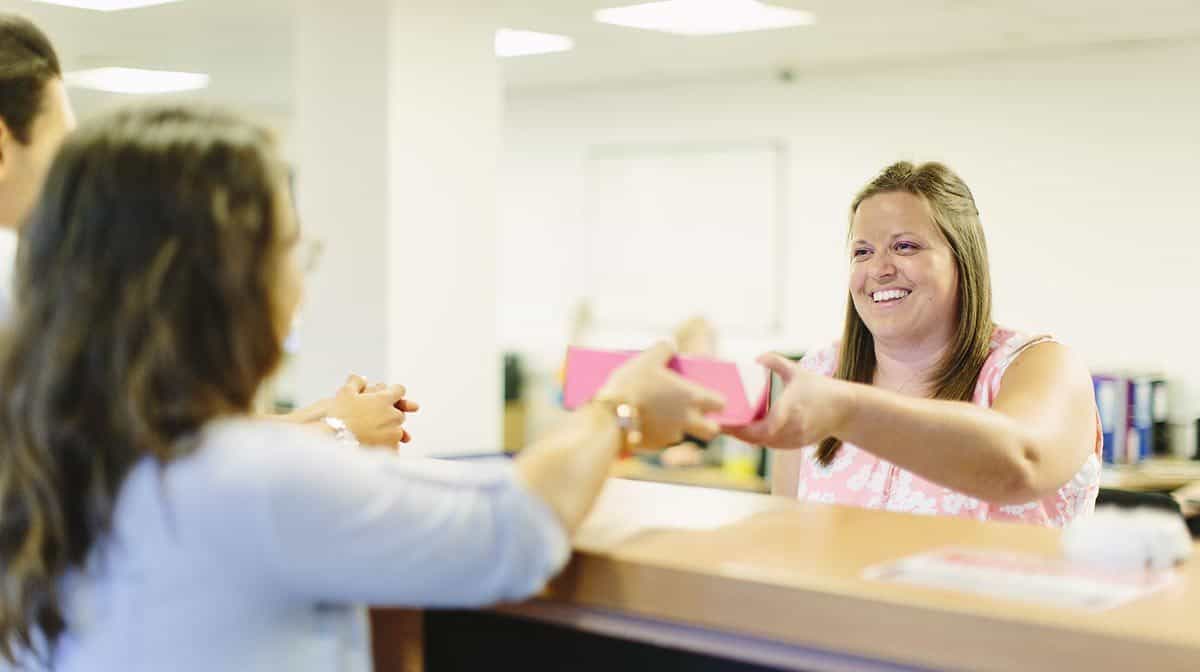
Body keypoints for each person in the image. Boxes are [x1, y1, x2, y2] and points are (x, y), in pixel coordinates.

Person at [0, 104, 724, 670]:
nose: (298, 283)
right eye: (292, 251)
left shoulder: (51, 452)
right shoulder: (241, 480)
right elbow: (514, 534)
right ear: (222, 282)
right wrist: (618, 410)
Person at [0, 12, 410, 447]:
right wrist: (336, 431)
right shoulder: (18, 282)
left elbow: (130, 430)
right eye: (65, 148)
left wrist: (320, 419)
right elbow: (119, 454)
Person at [730, 161, 1100, 526]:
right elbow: (787, 543)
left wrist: (846, 410)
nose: (879, 269)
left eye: (905, 247)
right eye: (862, 252)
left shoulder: (1040, 364)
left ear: (962, 260)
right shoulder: (821, 371)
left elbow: (1022, 464)